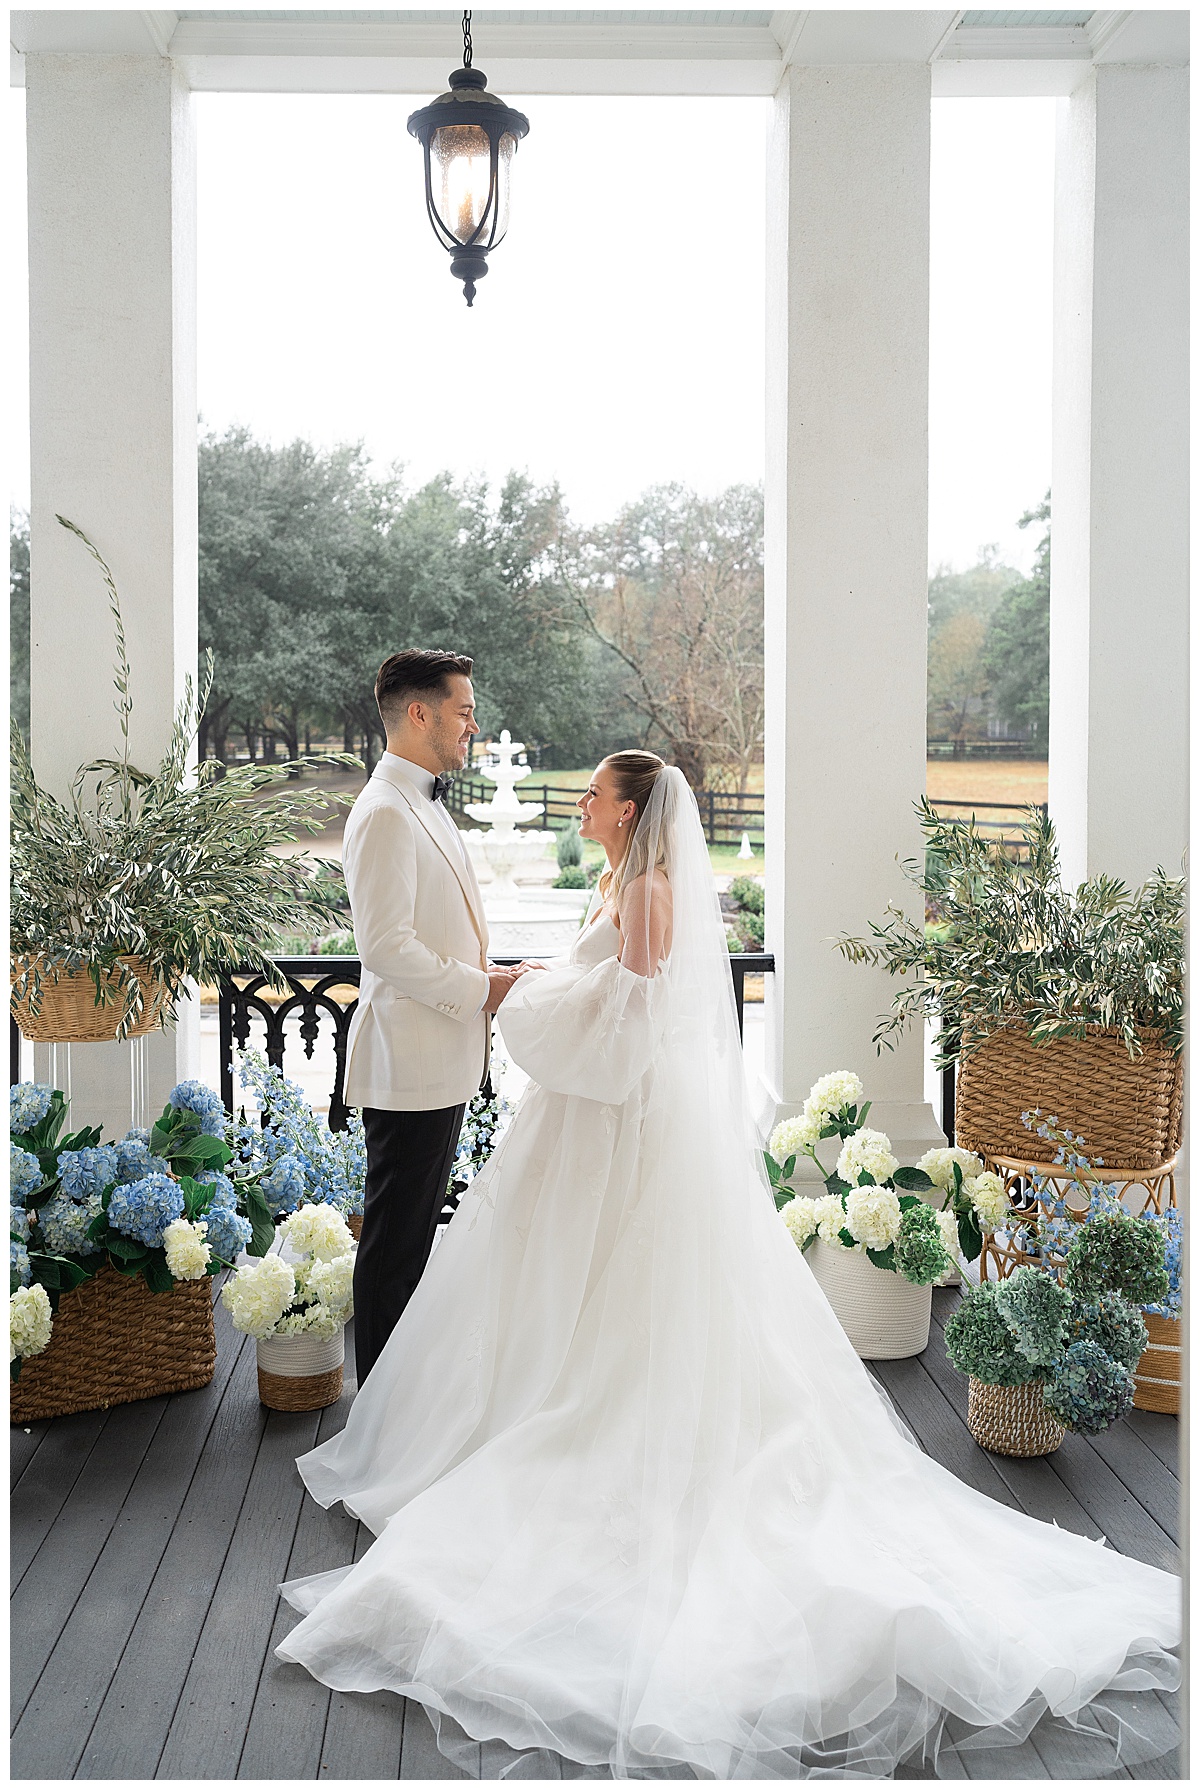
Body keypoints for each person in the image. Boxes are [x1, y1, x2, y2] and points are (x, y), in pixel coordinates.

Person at [277, 752, 1181, 1778]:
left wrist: (530, 1005)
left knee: (630, 1293)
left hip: (629, 1118)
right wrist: (548, 988)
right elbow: (611, 984)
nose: (579, 804)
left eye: (591, 795)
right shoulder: (623, 880)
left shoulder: (651, 887)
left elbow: (636, 1008)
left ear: (626, 810)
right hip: (591, 1117)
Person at [339, 648, 522, 1386]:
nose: (473, 723)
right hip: (409, 1067)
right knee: (393, 1247)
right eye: (464, 709)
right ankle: (375, 1421)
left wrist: (492, 977)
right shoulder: (385, 811)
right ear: (421, 714)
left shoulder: (421, 799)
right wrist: (483, 990)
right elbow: (386, 948)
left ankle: (397, 1405)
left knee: (412, 1243)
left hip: (440, 1062)